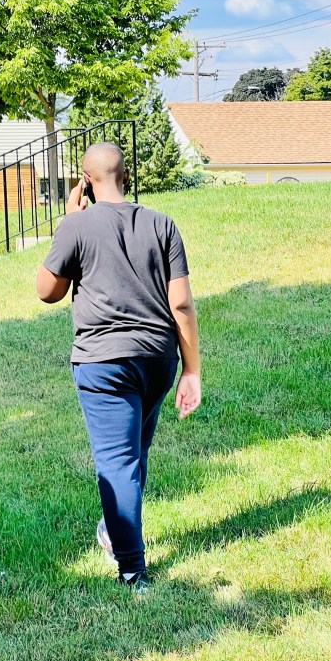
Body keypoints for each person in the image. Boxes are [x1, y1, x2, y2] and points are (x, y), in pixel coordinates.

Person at [35, 142, 201, 593]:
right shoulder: (163, 224)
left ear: (85, 182)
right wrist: (191, 371)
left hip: (103, 361)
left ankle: (132, 570)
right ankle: (114, 531)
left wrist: (67, 225)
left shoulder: (76, 225)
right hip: (158, 358)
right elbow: (181, 303)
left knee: (117, 464)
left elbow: (47, 291)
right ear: (126, 175)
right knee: (135, 455)